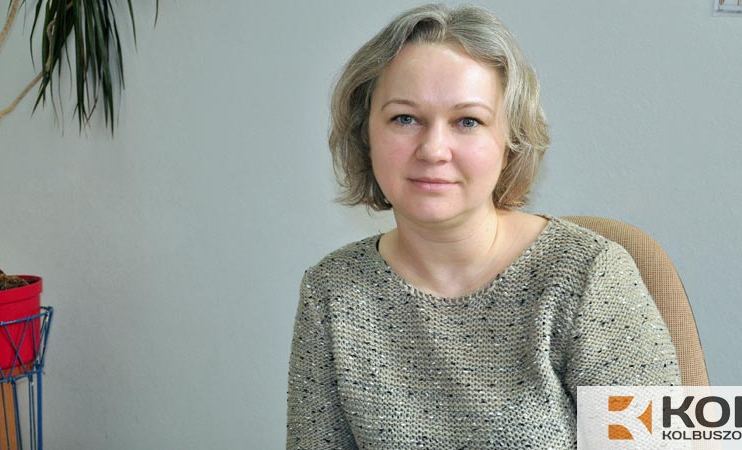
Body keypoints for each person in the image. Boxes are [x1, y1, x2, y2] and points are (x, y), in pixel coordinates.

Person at [286, 4, 680, 448]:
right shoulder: (331, 291)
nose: (433, 149)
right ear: (366, 134)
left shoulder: (586, 276)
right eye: (404, 118)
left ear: (510, 141)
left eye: (467, 121)